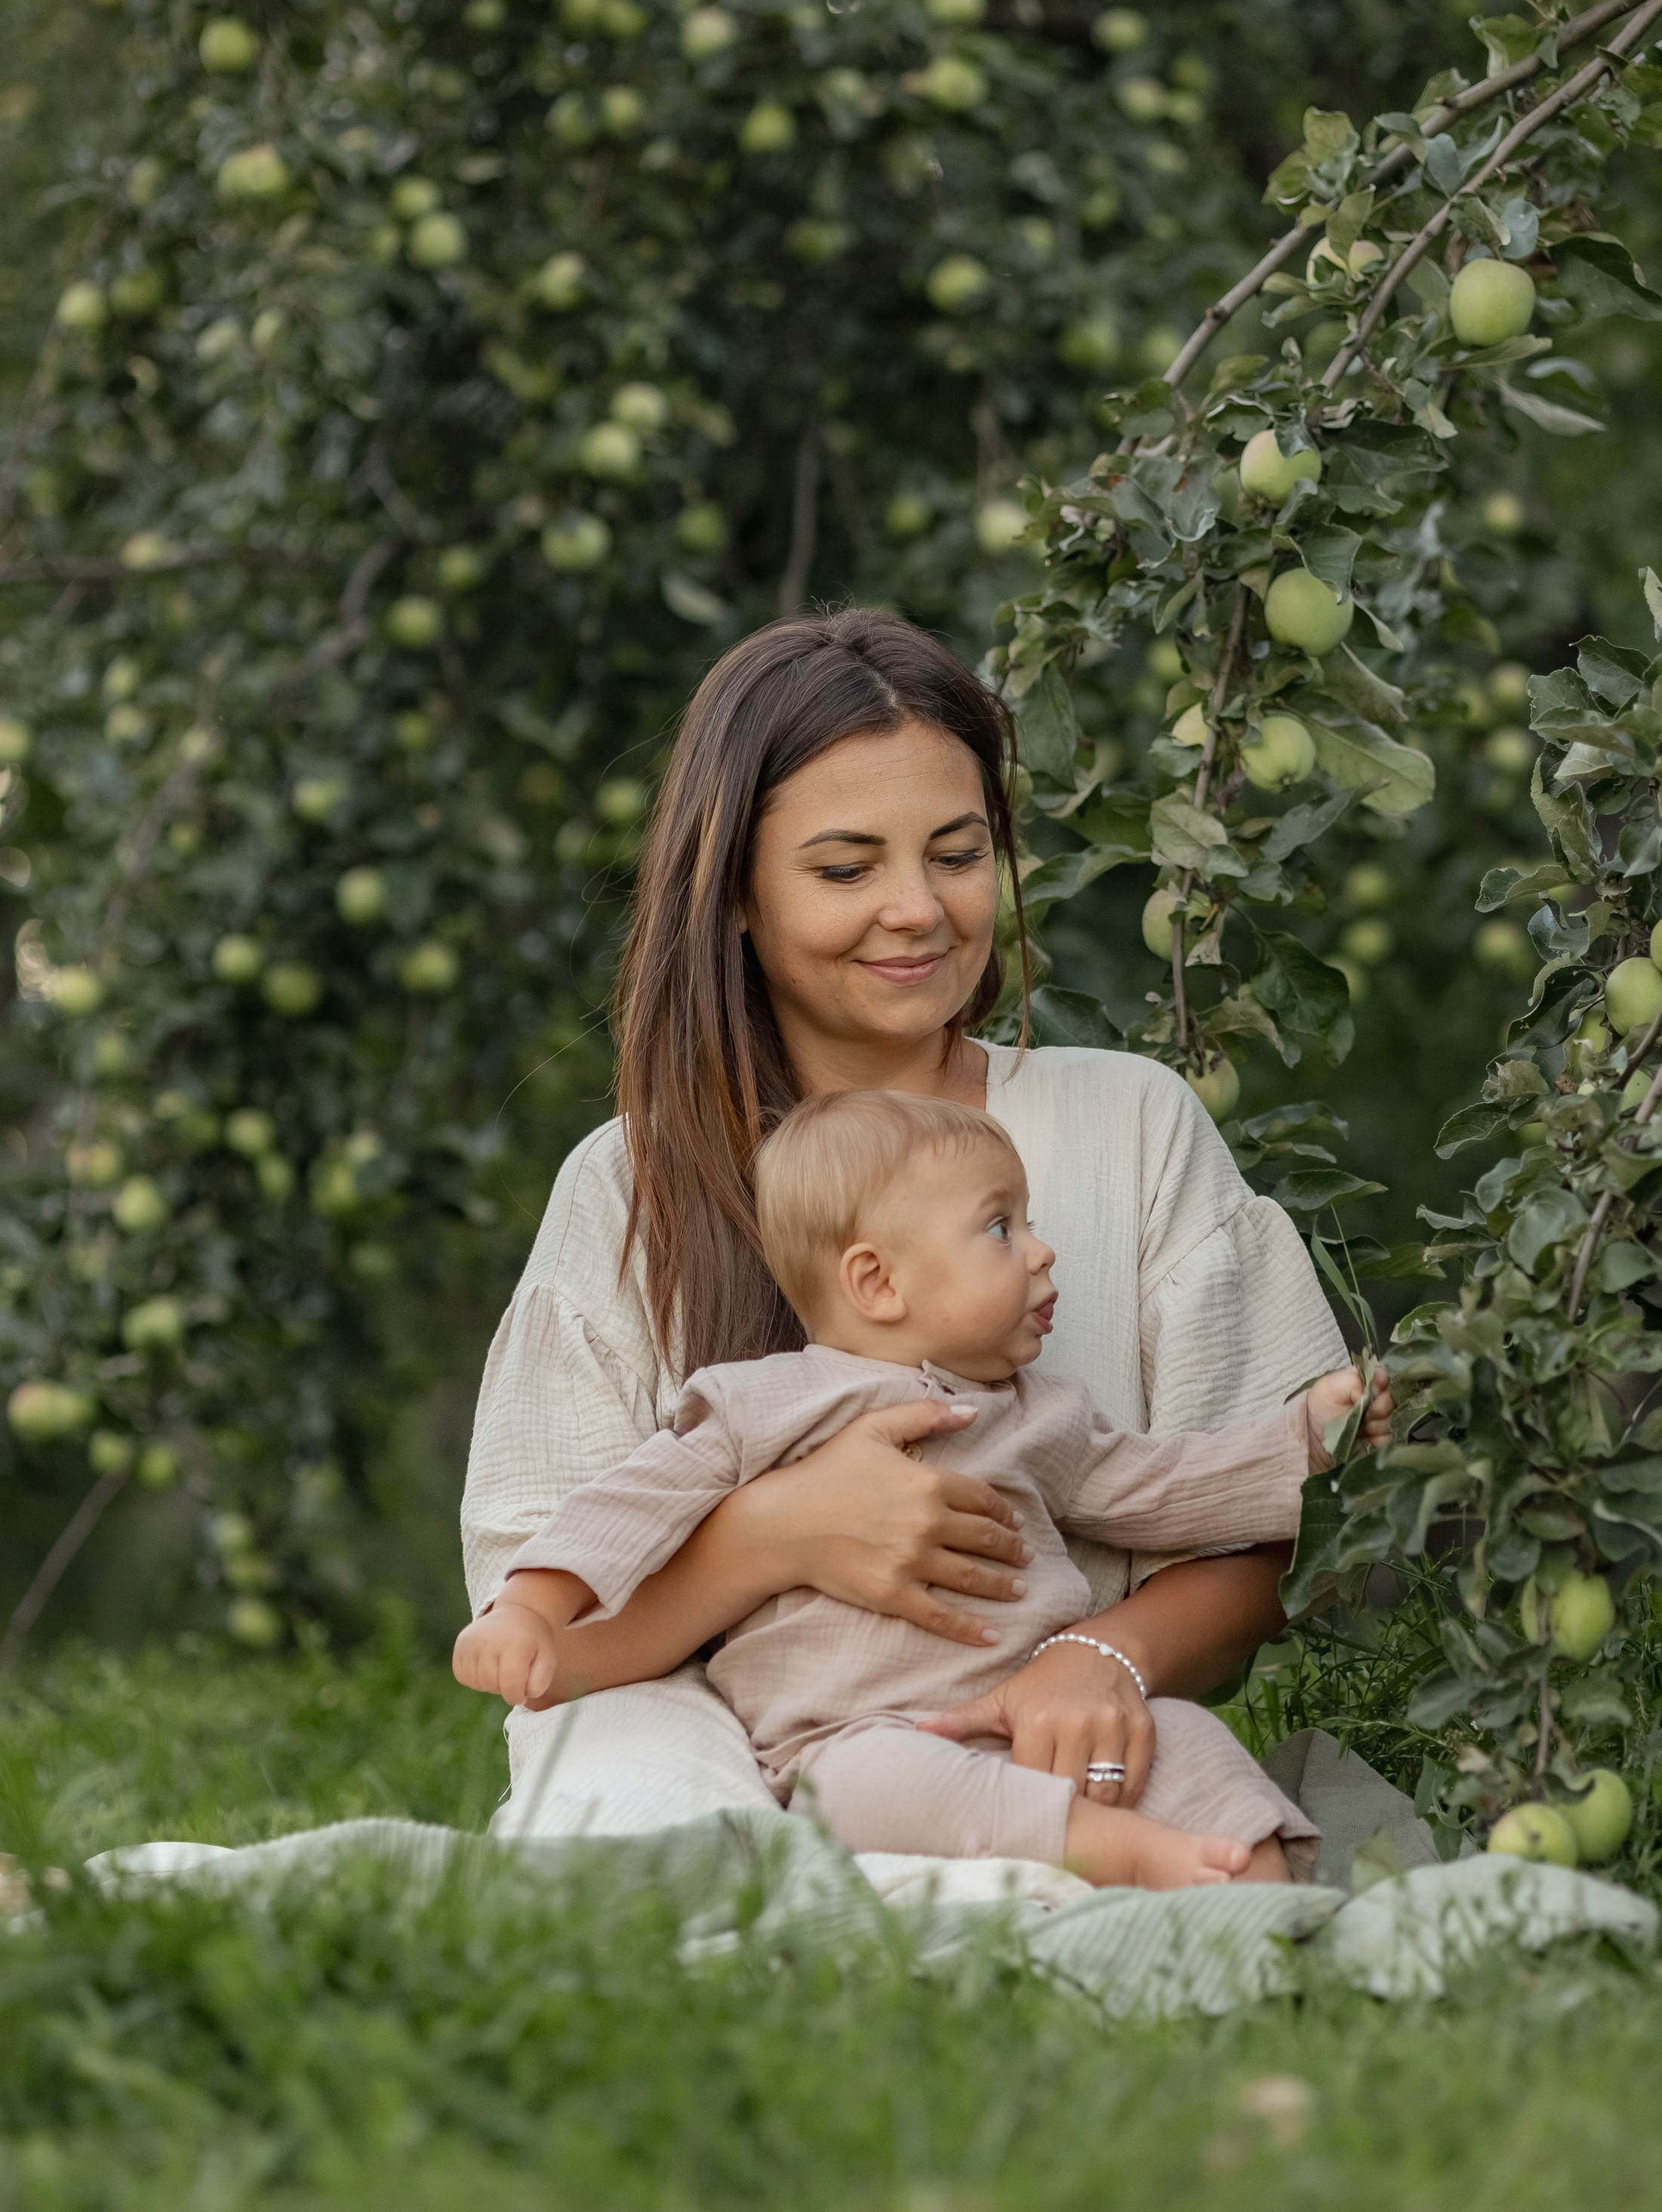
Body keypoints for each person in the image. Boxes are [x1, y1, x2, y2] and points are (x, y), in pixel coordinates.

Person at [460, 609, 1357, 1844]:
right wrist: (773, 1538)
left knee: (1199, 1806)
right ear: (733, 896)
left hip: (1041, 1714)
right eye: (845, 869)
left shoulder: (1127, 1123)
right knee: (632, 1807)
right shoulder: (633, 1187)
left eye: (957, 853)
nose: (918, 910)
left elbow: (1250, 1522)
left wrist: (1103, 1656)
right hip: (720, 1724)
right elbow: (551, 1640)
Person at [457, 1089, 1390, 1885]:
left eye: (1027, 1221)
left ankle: (1262, 1896)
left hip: (1031, 1722)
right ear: (876, 1282)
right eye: (1000, 1227)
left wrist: (1307, 1440)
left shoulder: (1042, 1413)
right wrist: (530, 1611)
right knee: (857, 1792)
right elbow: (627, 1509)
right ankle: (1113, 1854)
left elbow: (1164, 1489)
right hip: (853, 1739)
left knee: (1186, 1742)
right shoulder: (762, 1401)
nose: (1041, 1251)